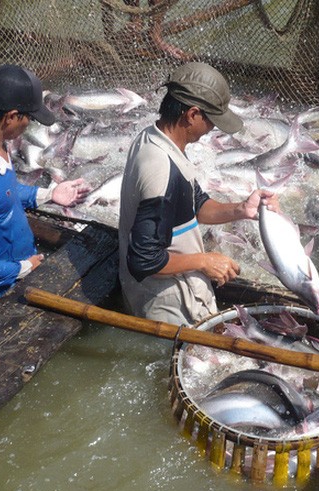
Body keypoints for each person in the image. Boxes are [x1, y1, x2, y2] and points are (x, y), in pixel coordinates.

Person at [118, 62, 279, 326]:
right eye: (212, 121)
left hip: (169, 293)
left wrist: (241, 209)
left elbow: (196, 204)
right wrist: (204, 261)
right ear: (192, 114)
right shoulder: (160, 169)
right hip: (169, 307)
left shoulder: (155, 137)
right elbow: (143, 261)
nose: (213, 129)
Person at [0, 64, 91, 302]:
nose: (29, 125)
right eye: (29, 118)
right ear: (11, 117)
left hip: (24, 264)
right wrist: (21, 269)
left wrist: (48, 195)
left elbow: (3, 193)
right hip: (0, 291)